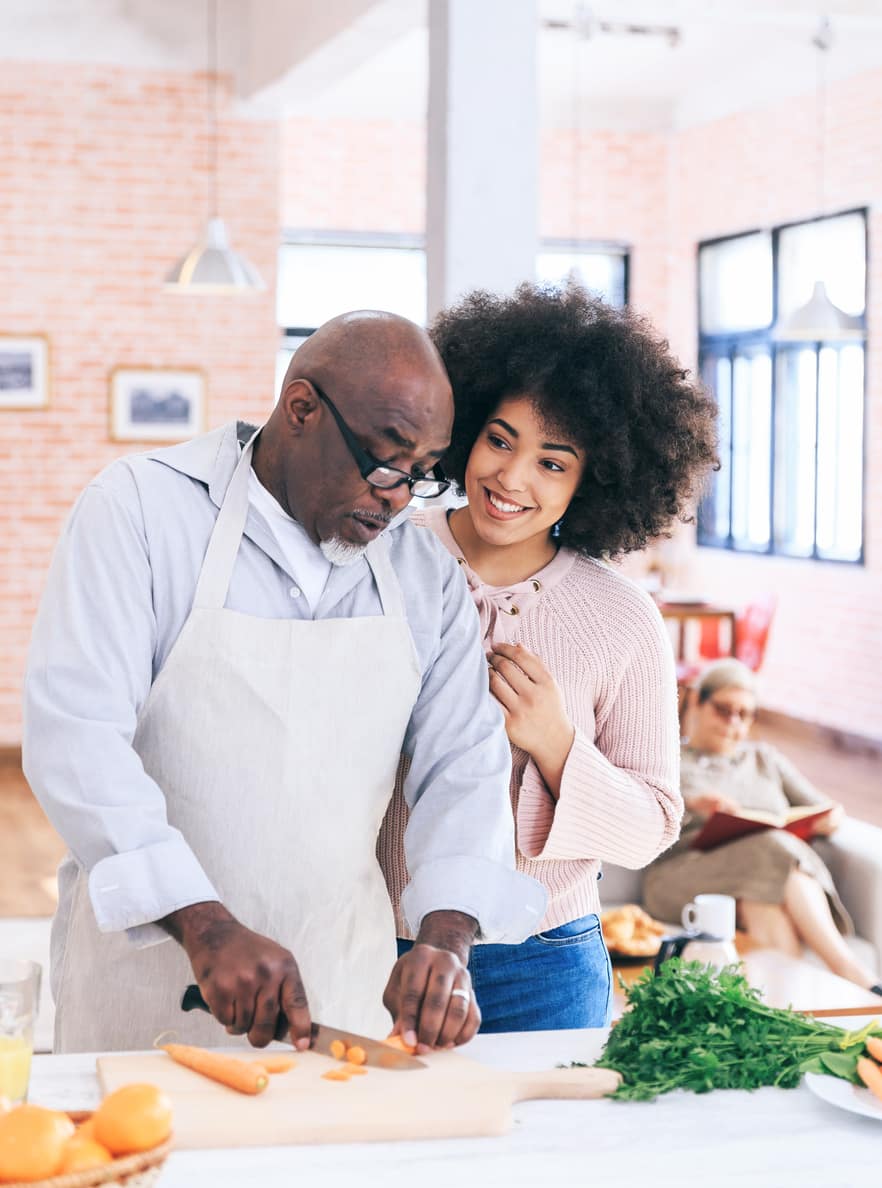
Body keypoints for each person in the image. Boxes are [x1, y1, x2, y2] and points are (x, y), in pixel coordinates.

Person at [22, 310, 547, 1054]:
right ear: (301, 408)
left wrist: (447, 938)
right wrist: (204, 924)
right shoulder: (139, 511)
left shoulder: (422, 576)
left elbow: (465, 764)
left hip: (345, 989)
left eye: (424, 473)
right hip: (148, 989)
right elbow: (77, 738)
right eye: (385, 459)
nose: (399, 497)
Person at [377, 282, 719, 1030]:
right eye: (499, 440)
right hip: (375, 944)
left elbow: (652, 827)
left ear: (596, 480)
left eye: (552, 463)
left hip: (544, 960)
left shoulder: (622, 617)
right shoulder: (383, 560)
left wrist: (558, 746)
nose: (511, 478)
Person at [643, 658, 882, 994]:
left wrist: (829, 818)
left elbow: (827, 807)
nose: (733, 723)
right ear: (697, 701)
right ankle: (852, 974)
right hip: (682, 877)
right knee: (770, 847)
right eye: (724, 710)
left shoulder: (764, 759)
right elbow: (639, 811)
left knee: (764, 899)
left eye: (744, 715)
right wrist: (693, 803)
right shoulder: (669, 760)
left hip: (753, 883)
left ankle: (789, 1011)